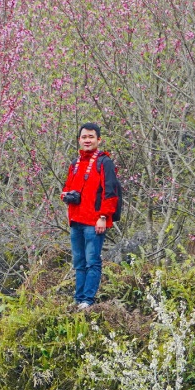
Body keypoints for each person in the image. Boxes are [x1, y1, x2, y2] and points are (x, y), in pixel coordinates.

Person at [61, 122, 120, 309]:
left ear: (98, 140)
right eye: (84, 137)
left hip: (94, 222)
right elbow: (67, 188)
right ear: (79, 140)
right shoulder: (75, 164)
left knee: (92, 261)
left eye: (91, 137)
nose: (87, 140)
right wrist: (66, 195)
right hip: (76, 220)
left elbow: (110, 192)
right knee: (79, 262)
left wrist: (103, 216)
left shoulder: (105, 162)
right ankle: (78, 299)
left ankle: (88, 300)